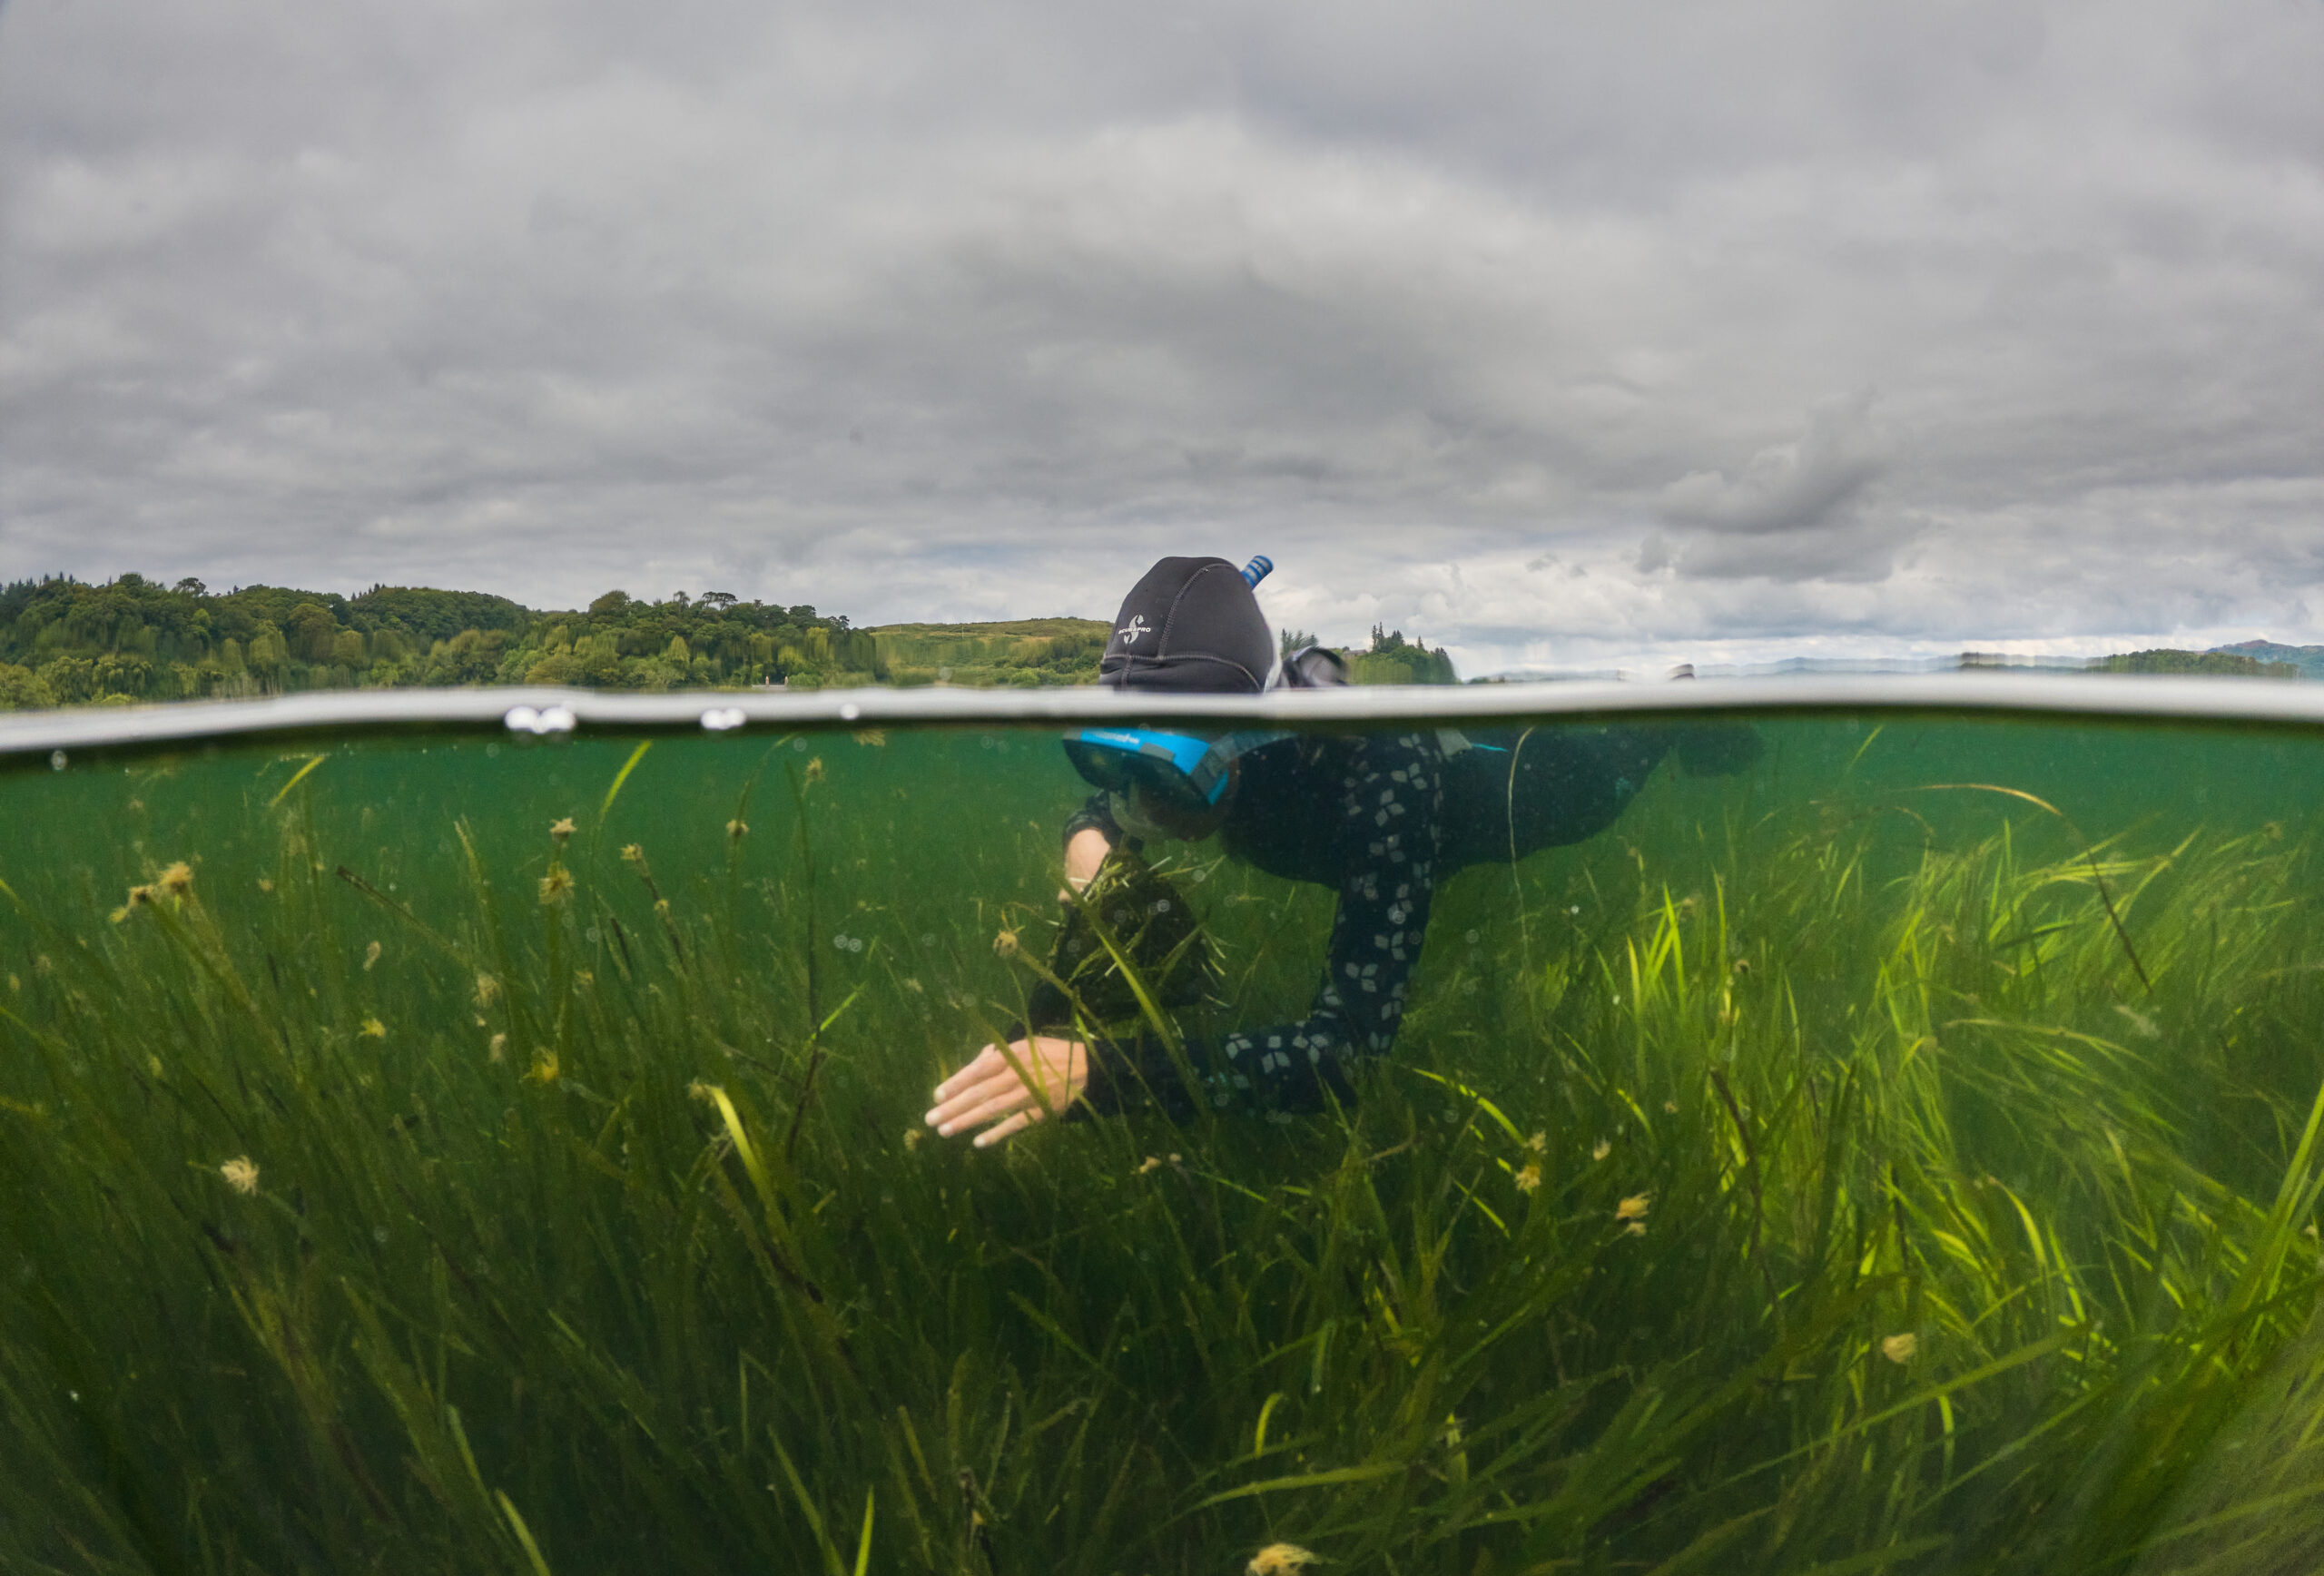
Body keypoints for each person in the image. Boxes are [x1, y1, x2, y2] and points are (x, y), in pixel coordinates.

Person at [925, 556, 1758, 1148]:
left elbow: (1348, 1053)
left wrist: (1110, 1076)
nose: (1140, 804)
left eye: (1166, 776)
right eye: (1116, 762)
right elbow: (1105, 805)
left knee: (1622, 763)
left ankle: (1671, 709)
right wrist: (1090, 854)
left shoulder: (1378, 770)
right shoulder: (1175, 766)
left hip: (1551, 780)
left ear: (1242, 744)